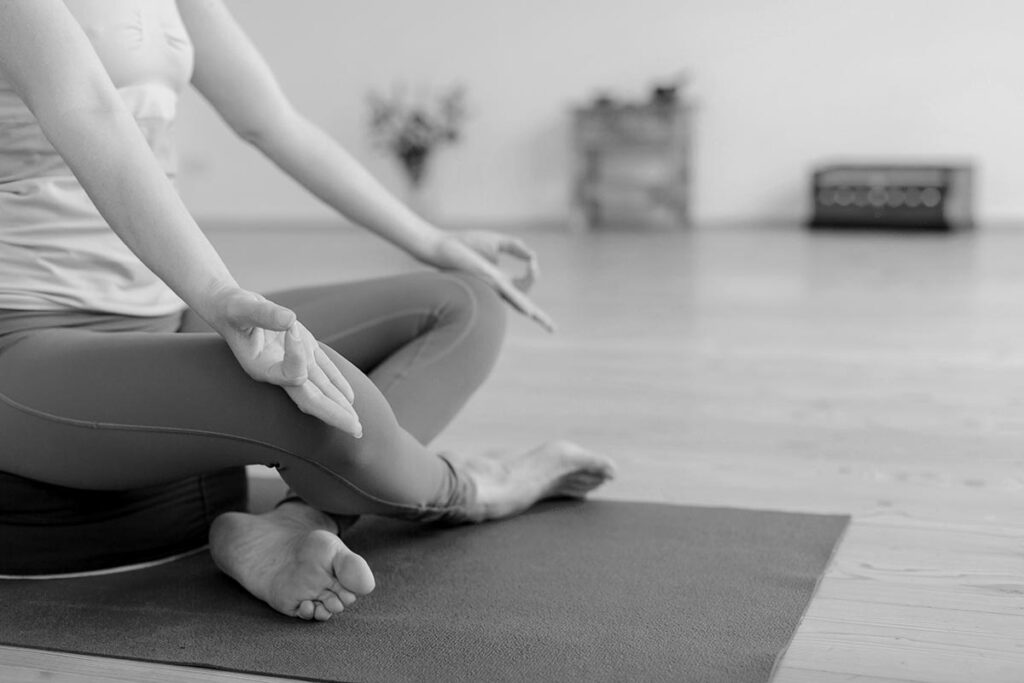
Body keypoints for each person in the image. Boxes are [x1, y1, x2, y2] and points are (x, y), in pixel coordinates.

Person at [0, 0, 615, 621]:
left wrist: (434, 241)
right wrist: (217, 295)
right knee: (323, 403)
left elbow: (273, 122)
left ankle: (298, 518)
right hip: (24, 336)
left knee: (464, 303)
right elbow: (91, 112)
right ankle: (481, 487)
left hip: (161, 309)